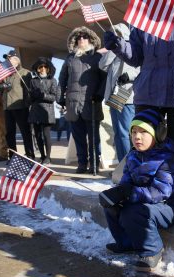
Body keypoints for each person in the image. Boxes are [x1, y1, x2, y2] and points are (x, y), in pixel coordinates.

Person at [103, 1, 174, 190]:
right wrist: (119, 46)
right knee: (144, 144)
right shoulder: (146, 16)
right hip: (149, 91)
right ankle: (144, 190)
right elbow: (137, 55)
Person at [99, 109, 174, 271]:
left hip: (169, 206)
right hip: (145, 202)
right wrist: (118, 193)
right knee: (112, 204)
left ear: (158, 134)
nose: (137, 137)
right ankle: (127, 243)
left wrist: (130, 193)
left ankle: (152, 250)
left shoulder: (166, 159)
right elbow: (126, 182)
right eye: (133, 132)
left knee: (135, 212)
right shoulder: (133, 156)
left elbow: (161, 192)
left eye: (143, 132)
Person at [59, 26, 107, 174]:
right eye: (78, 38)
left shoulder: (97, 57)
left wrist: (99, 95)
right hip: (73, 103)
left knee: (94, 138)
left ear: (90, 39)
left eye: (84, 37)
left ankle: (94, 164)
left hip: (91, 102)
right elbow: (62, 79)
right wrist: (60, 97)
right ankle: (81, 164)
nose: (81, 39)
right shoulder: (69, 58)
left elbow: (104, 79)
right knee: (78, 137)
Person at [99, 23, 140, 163]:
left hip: (126, 92)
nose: (116, 35)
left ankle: (130, 165)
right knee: (118, 134)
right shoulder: (114, 50)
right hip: (114, 94)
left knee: (126, 133)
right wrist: (112, 48)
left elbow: (139, 68)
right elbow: (102, 65)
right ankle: (123, 165)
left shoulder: (132, 47)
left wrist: (129, 76)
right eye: (114, 32)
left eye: (118, 32)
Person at [2, 50, 35, 160]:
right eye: (8, 60)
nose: (8, 62)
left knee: (25, 133)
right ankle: (12, 156)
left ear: (17, 61)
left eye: (11, 59)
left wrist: (26, 104)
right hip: (8, 107)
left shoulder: (25, 73)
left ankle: (30, 155)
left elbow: (28, 90)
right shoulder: (6, 74)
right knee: (9, 134)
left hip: (20, 107)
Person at [28, 57, 60, 165]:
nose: (43, 69)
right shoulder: (33, 81)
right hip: (35, 111)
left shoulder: (53, 80)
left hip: (47, 111)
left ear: (49, 68)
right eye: (40, 67)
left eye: (45, 67)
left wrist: (43, 95)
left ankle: (48, 157)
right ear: (37, 69)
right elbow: (30, 99)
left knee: (46, 135)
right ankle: (41, 155)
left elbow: (54, 97)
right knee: (37, 135)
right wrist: (31, 96)